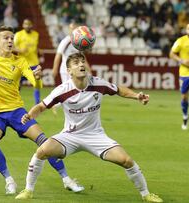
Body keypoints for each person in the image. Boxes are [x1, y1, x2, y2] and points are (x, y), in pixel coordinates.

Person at [0, 26, 84, 195]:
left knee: (45, 143)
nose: (10, 41)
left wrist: (37, 78)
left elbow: (35, 82)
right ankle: (9, 180)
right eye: (5, 38)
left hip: (17, 112)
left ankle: (66, 179)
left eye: (12, 38)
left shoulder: (20, 61)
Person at [15, 53, 163, 203]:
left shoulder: (98, 83)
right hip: (70, 136)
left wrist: (136, 96)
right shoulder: (62, 90)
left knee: (126, 160)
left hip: (95, 136)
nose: (81, 65)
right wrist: (30, 115)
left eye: (82, 62)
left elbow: (118, 90)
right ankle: (28, 190)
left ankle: (146, 195)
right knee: (42, 151)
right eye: (76, 63)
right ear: (69, 71)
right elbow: (41, 106)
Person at [14, 19, 41, 105]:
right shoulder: (18, 35)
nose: (27, 26)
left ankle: (37, 103)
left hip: (34, 63)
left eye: (29, 24)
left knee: (37, 84)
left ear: (31, 25)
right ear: (23, 25)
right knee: (18, 84)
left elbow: (35, 47)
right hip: (22, 64)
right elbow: (12, 48)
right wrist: (20, 50)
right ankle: (15, 101)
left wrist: (38, 51)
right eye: (25, 24)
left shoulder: (36, 35)